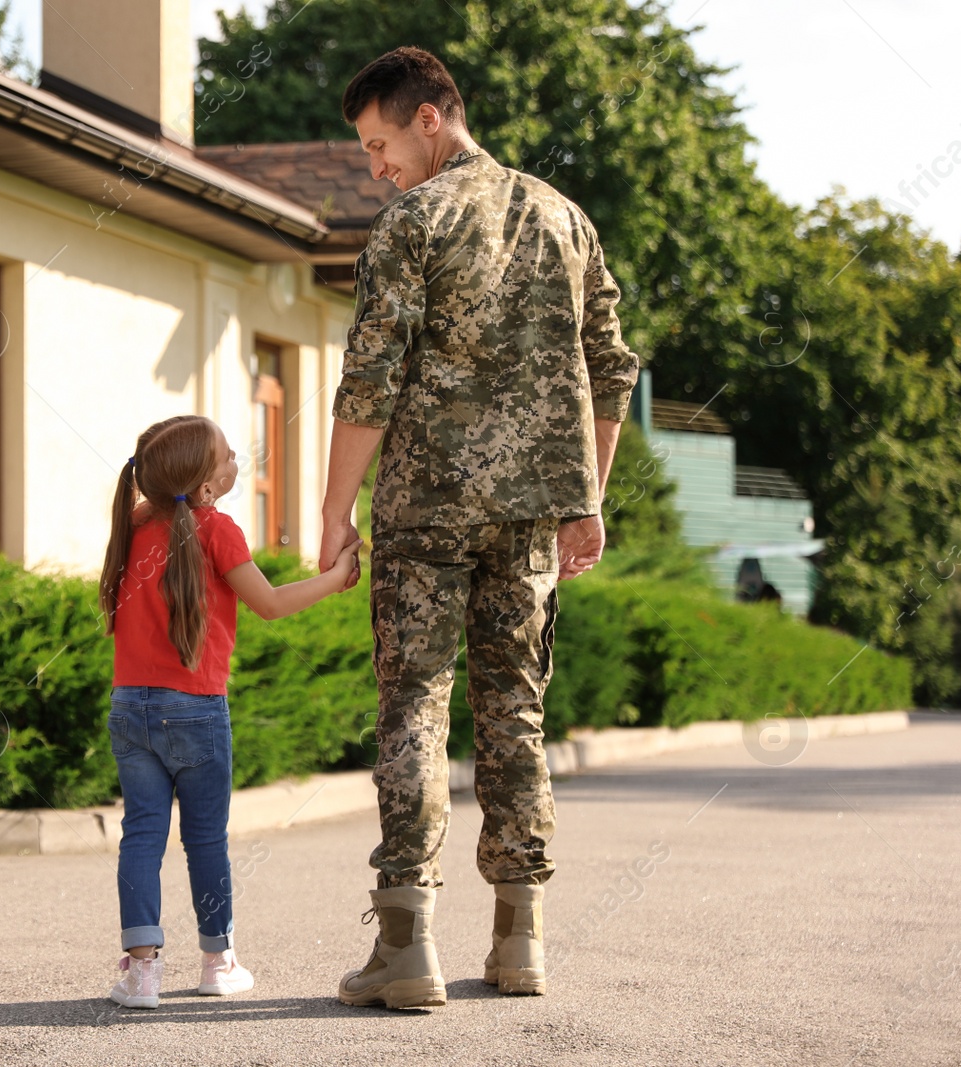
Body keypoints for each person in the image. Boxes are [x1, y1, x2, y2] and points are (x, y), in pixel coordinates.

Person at [317, 47, 641, 1009]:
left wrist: (335, 506)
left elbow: (370, 376)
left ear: (430, 116)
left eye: (380, 144)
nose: (377, 168)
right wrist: (589, 495)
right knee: (517, 711)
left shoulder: (414, 222)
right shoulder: (564, 217)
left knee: (415, 703)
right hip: (534, 515)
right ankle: (519, 941)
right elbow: (611, 367)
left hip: (427, 509)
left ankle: (406, 946)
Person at [99, 414, 362, 1010]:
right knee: (206, 840)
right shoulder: (218, 531)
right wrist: (339, 575)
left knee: (141, 835)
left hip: (129, 707)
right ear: (207, 487)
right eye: (225, 455)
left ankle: (141, 976)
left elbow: (156, 513)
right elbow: (269, 605)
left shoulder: (133, 525)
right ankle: (218, 962)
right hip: (196, 709)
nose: (237, 454)